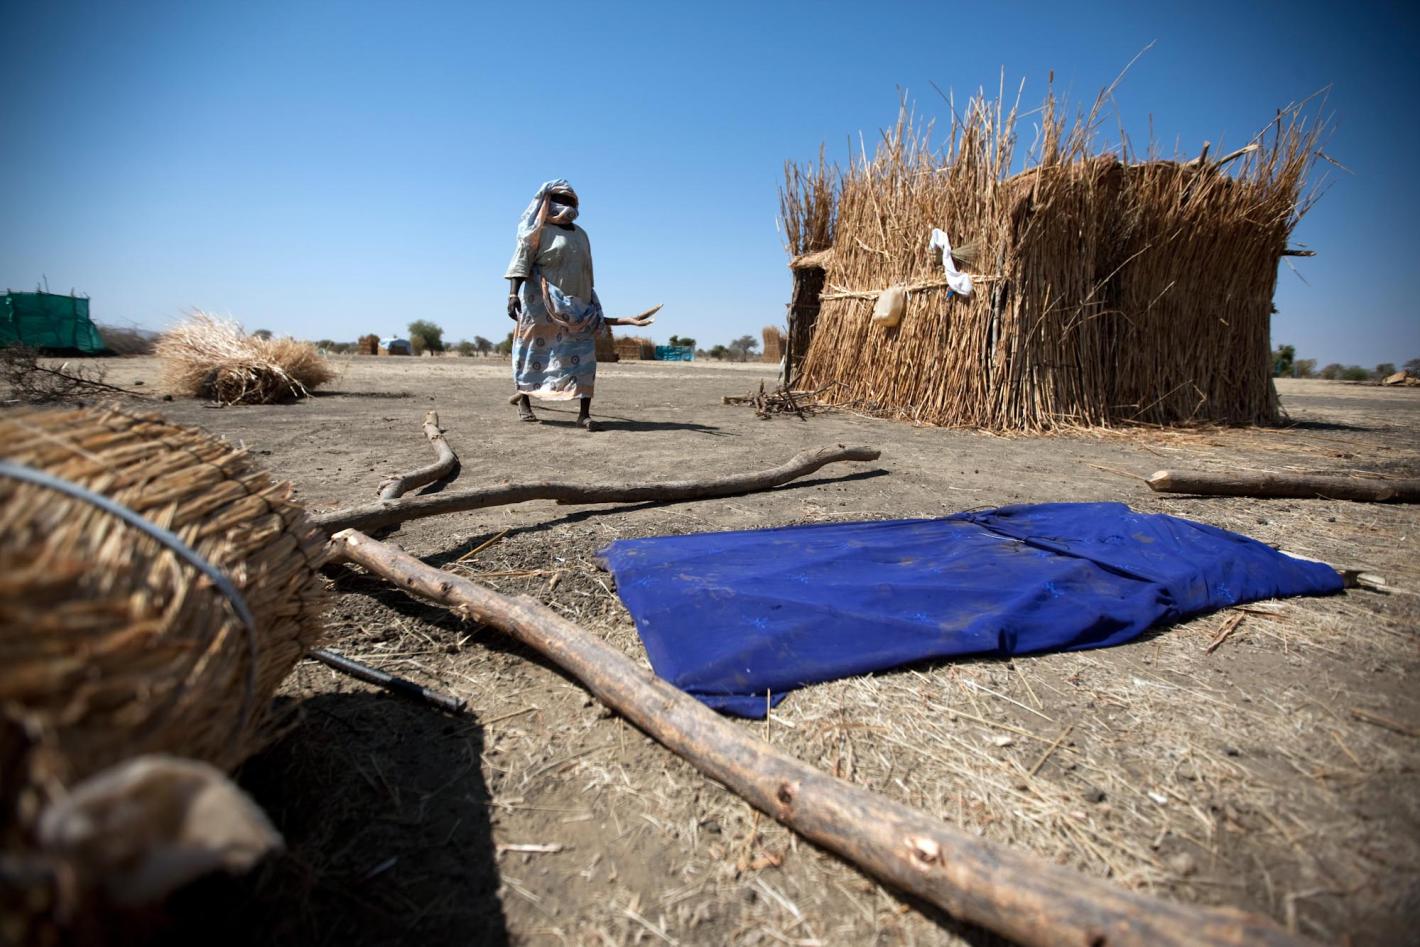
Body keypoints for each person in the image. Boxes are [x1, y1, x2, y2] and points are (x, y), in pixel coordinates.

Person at [503, 179, 607, 430]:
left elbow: (587, 270)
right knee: (532, 352)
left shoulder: (581, 234)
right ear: (547, 203)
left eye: (571, 201)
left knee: (584, 357)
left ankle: (584, 414)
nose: (567, 205)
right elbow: (521, 262)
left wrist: (590, 299)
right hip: (540, 304)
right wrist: (513, 295)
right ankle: (525, 401)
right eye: (561, 200)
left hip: (579, 305)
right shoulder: (537, 231)